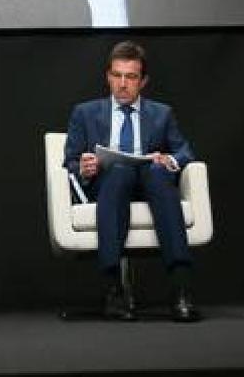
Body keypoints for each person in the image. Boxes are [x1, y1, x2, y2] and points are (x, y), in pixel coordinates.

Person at [63, 41, 199, 321]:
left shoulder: (162, 114)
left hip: (151, 180)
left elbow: (185, 150)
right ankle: (114, 290)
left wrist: (169, 161)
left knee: (159, 173)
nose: (122, 84)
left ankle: (180, 289)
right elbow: (70, 161)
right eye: (117, 75)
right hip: (110, 182)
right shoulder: (85, 113)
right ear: (108, 76)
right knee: (120, 171)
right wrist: (84, 168)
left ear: (143, 81)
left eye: (131, 77)